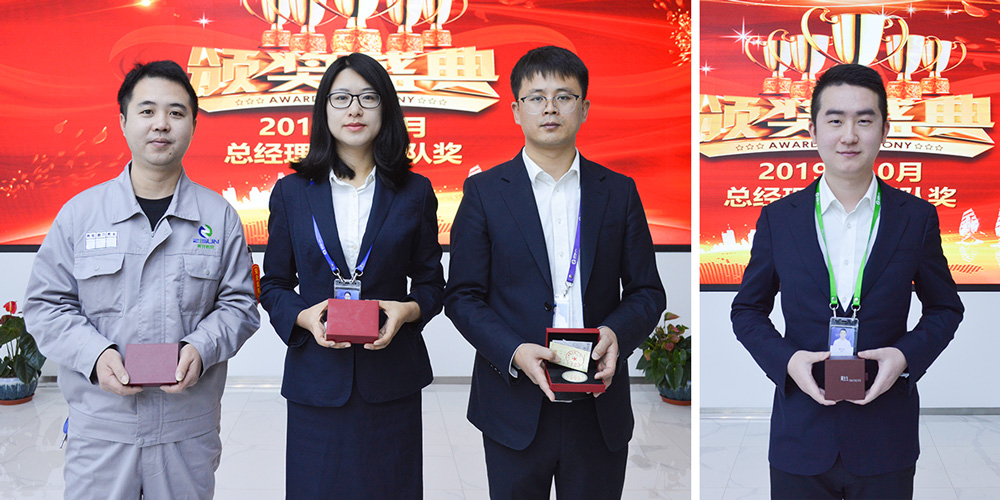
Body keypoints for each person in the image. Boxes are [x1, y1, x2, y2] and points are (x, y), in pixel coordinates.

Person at [23, 60, 260, 499]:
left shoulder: (219, 216)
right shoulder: (81, 214)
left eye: (176, 112)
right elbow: (46, 306)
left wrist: (200, 347)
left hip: (186, 429)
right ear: (123, 121)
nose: (161, 124)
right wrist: (95, 355)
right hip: (103, 427)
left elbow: (239, 306)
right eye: (147, 111)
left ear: (193, 125)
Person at [731, 63, 964, 499]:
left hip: (885, 436)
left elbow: (945, 308)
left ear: (884, 129)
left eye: (864, 120)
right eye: (835, 120)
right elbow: (746, 309)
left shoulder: (915, 218)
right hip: (800, 434)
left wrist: (904, 357)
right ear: (813, 131)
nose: (849, 136)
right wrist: (787, 362)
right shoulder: (780, 218)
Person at [444, 46, 666, 499]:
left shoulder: (618, 191)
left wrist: (615, 335)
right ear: (515, 110)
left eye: (564, 96)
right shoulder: (484, 192)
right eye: (536, 97)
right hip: (514, 400)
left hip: (598, 399)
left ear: (584, 108)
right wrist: (514, 352)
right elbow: (462, 296)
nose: (550, 108)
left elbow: (646, 291)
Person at [258, 52, 444, 499]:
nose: (355, 109)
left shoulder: (415, 191)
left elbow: (431, 284)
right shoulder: (291, 192)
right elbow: (275, 284)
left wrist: (407, 310)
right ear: (324, 109)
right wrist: (304, 317)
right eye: (341, 98)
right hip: (317, 380)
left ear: (386, 108)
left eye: (368, 97)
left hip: (391, 377)